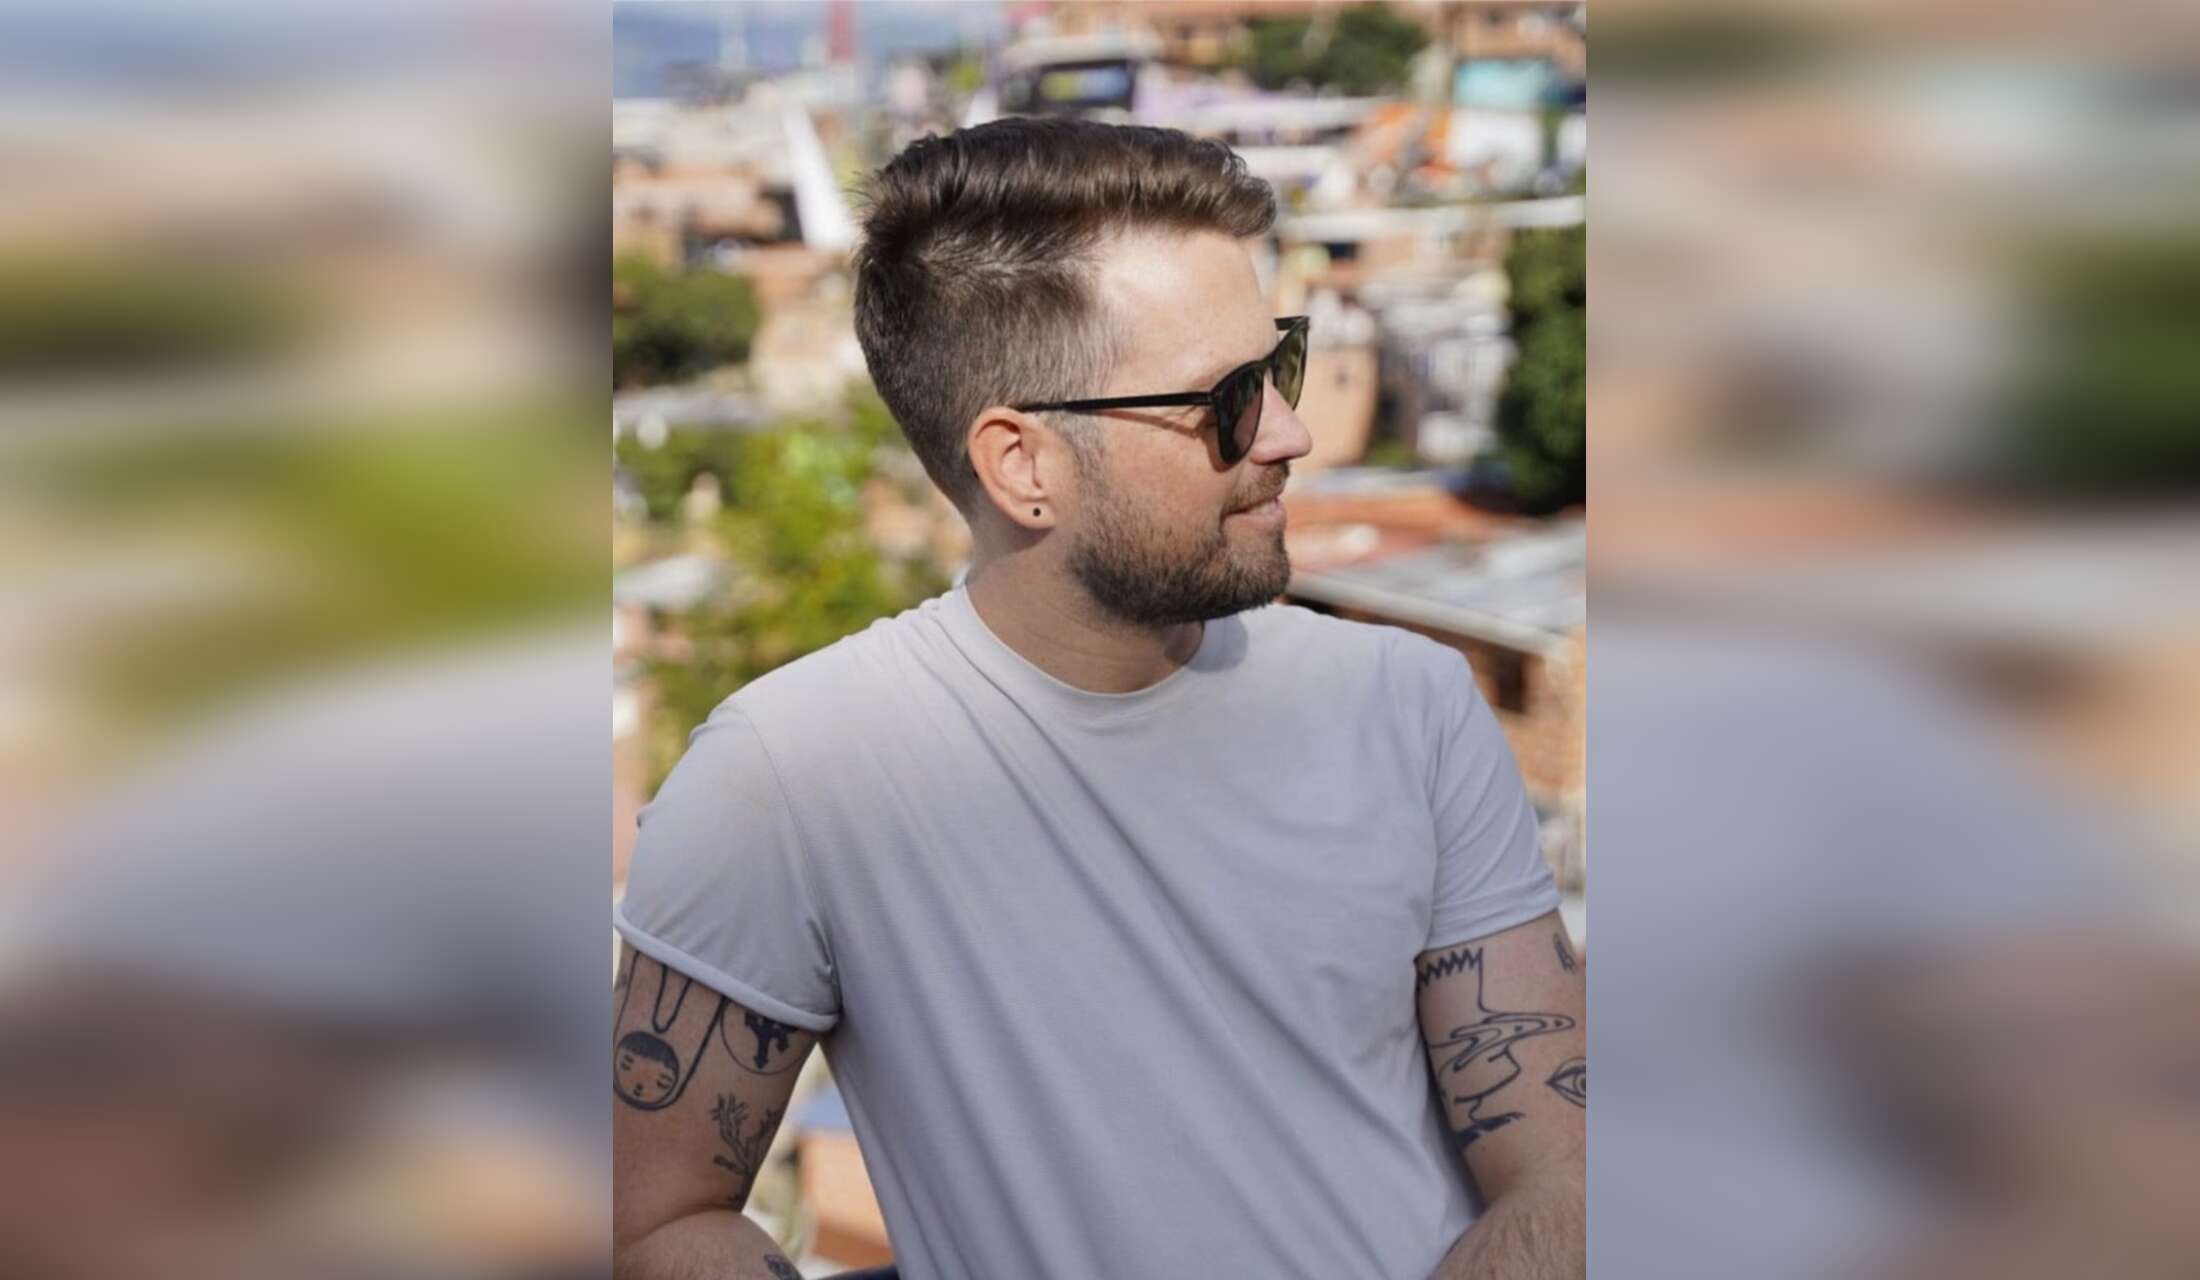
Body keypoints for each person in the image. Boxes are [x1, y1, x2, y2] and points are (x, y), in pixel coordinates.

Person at [612, 118, 1585, 1280]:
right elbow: (653, 1216)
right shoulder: (791, 778)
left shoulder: (1407, 704)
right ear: (1022, 464)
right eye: (1229, 397)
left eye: (1280, 362)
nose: (1291, 431)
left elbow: (1566, 1164)